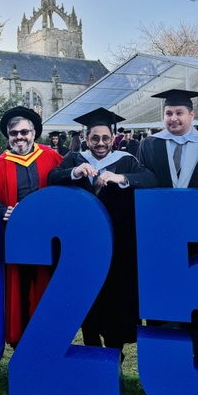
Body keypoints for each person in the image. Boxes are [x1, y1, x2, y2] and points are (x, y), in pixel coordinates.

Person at [47, 107, 157, 352]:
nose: (100, 143)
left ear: (113, 139)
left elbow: (151, 179)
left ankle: (114, 352)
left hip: (117, 246)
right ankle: (92, 348)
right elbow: (52, 178)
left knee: (115, 298)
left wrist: (121, 178)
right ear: (87, 139)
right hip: (82, 246)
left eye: (105, 138)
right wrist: (75, 173)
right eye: (95, 138)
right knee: (88, 299)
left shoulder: (126, 160)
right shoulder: (75, 159)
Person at [0, 106, 63, 346]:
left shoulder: (51, 157)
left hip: (50, 238)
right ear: (8, 136)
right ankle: (22, 341)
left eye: (24, 132)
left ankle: (50, 336)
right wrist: (2, 210)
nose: (19, 137)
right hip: (18, 238)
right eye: (14, 133)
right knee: (21, 286)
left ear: (33, 133)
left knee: (48, 285)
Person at [137, 89, 198, 261]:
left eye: (179, 113)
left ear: (191, 115)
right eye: (168, 113)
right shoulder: (149, 145)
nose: (173, 118)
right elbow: (141, 181)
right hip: (163, 226)